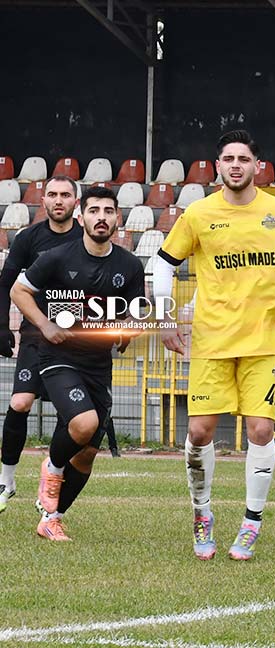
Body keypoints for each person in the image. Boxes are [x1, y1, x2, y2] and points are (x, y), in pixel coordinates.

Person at [153, 130, 275, 561]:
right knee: (199, 431)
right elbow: (163, 263)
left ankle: (252, 522)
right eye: (229, 159)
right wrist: (163, 317)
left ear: (258, 166)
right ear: (218, 166)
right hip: (211, 339)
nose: (236, 165)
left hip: (264, 341)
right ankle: (202, 514)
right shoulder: (198, 213)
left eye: (244, 158)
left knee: (262, 430)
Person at [10, 185, 145, 540]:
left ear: (118, 218)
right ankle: (53, 466)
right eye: (94, 211)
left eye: (108, 211)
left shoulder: (130, 265)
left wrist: (128, 329)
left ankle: (51, 519)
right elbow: (19, 291)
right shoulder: (56, 257)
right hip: (58, 357)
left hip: (99, 364)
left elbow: (135, 312)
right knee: (84, 424)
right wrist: (44, 325)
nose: (102, 218)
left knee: (86, 454)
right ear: (82, 217)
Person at [0, 175, 83, 513]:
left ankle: (52, 477)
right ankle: (6, 481)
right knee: (20, 402)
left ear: (76, 202)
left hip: (76, 339)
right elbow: (6, 282)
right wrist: (2, 326)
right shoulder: (28, 238)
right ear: (43, 200)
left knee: (71, 415)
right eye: (52, 194)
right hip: (35, 335)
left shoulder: (85, 238)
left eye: (65, 194)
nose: (58, 200)